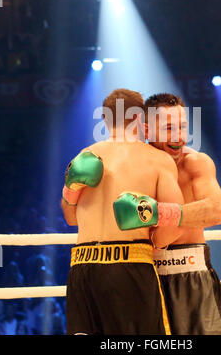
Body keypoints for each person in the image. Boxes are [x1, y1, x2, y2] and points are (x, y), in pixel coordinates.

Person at [61, 88, 184, 335]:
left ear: (105, 119)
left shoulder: (86, 155)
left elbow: (70, 217)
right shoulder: (157, 160)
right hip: (130, 264)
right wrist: (153, 244)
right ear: (140, 118)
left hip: (82, 267)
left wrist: (71, 190)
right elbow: (175, 224)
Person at [114, 93, 221, 335]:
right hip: (145, 275)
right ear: (147, 129)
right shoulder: (133, 166)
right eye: (169, 128)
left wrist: (158, 213)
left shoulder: (195, 163)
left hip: (192, 273)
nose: (179, 136)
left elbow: (215, 211)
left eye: (182, 127)